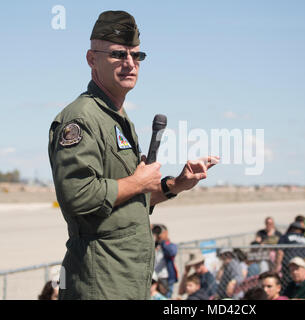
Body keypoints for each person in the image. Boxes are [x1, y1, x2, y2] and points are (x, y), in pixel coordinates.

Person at [48, 10, 219, 299]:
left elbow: (127, 201)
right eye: (118, 54)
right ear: (92, 59)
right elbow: (77, 196)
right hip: (100, 281)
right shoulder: (82, 118)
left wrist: (174, 184)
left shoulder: (117, 118)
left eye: (136, 56)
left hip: (127, 280)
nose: (130, 63)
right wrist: (139, 182)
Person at [152, 224, 178, 298]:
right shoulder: (154, 246)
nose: (158, 234)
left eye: (159, 231)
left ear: (166, 233)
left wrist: (162, 241)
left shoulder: (170, 245)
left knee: (166, 298)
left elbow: (171, 252)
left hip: (165, 278)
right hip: (154, 278)